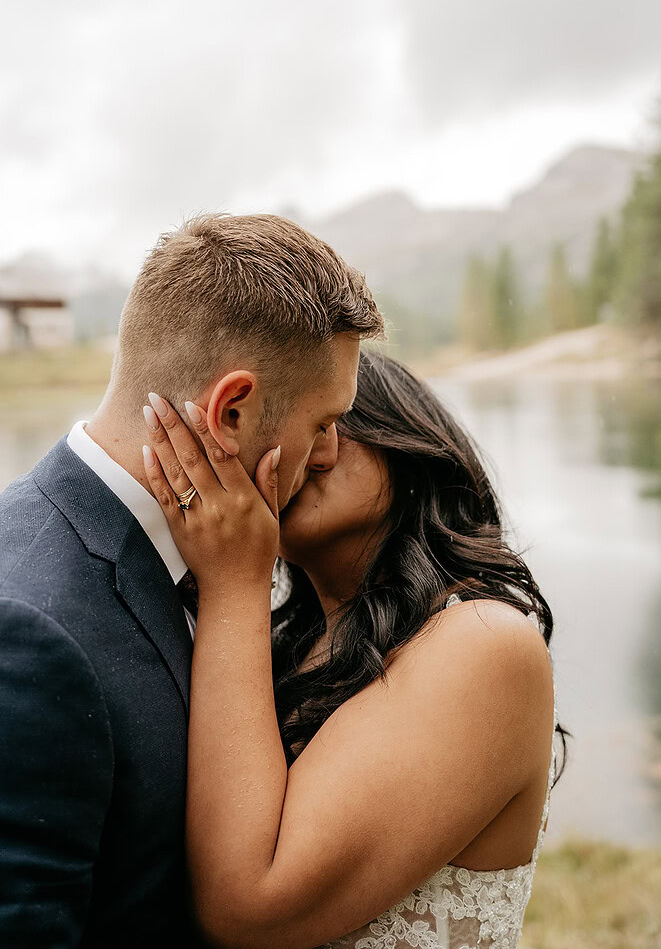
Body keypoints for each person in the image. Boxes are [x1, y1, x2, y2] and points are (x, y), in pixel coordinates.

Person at [0, 213, 384, 947]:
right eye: (325, 422)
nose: (332, 452)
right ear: (231, 411)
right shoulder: (29, 631)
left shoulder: (199, 559)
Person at [142, 347, 567, 949]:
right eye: (292, 429)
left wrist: (234, 579)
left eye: (334, 421)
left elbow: (250, 910)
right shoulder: (284, 647)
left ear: (408, 437)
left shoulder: (484, 643)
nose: (316, 451)